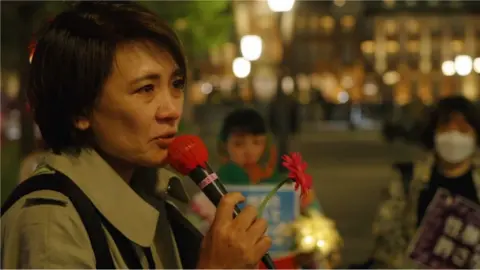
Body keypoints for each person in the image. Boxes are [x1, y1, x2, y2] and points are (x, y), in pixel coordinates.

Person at [1, 2, 271, 269]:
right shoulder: (52, 223)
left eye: (176, 84)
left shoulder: (150, 193)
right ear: (80, 111)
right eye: (146, 89)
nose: (171, 110)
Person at [188, 108, 342, 269]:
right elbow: (192, 236)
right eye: (238, 144)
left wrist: (311, 245)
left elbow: (320, 227)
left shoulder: (290, 187)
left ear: (267, 144)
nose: (249, 152)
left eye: (257, 143)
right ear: (224, 146)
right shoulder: (209, 193)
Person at [371, 95, 480, 268]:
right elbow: (385, 235)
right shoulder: (408, 180)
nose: (454, 135)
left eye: (462, 129)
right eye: (446, 128)